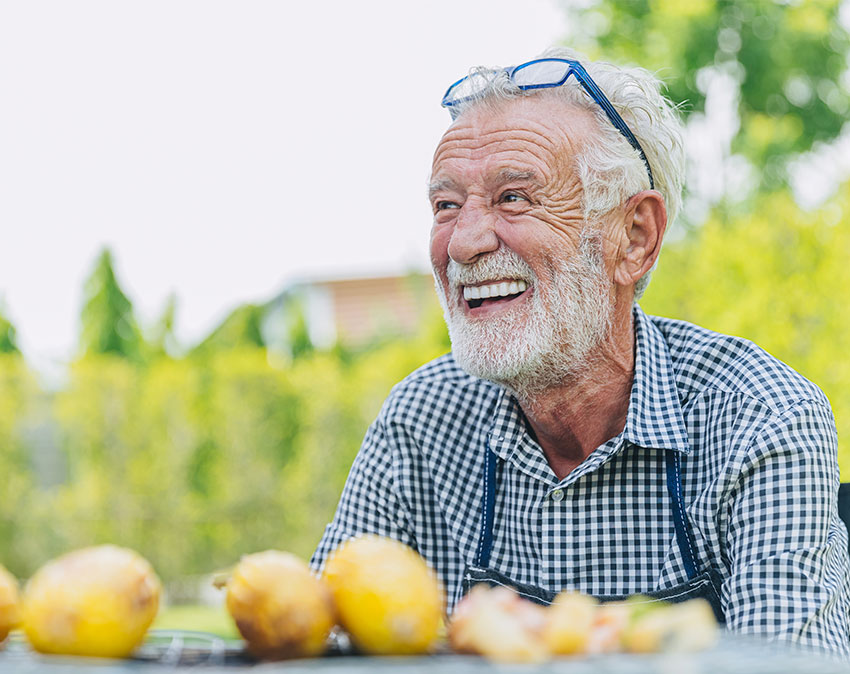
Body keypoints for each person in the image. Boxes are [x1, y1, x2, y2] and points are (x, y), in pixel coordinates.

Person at [311, 47, 850, 654]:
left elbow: (782, 668)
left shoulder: (760, 418)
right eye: (446, 206)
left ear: (634, 238)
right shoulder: (422, 418)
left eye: (514, 197)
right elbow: (317, 640)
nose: (462, 242)